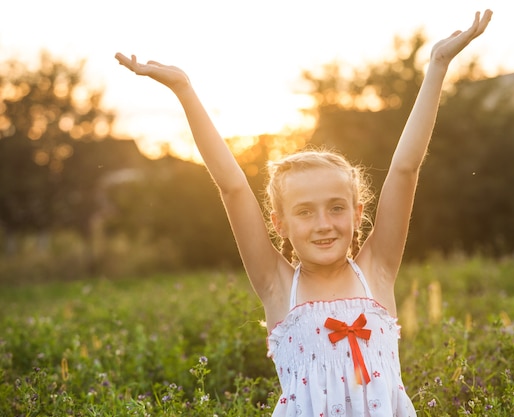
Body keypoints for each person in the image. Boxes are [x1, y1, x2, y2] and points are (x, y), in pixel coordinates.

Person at [115, 9, 492, 416]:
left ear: (357, 213)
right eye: (305, 212)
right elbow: (233, 186)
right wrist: (185, 90)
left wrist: (437, 65)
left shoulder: (378, 271)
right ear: (280, 223)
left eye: (335, 208)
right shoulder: (277, 287)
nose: (324, 224)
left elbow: (405, 168)